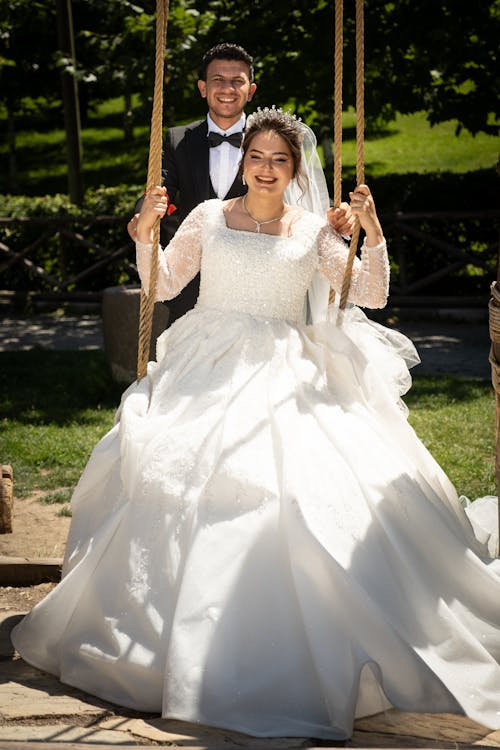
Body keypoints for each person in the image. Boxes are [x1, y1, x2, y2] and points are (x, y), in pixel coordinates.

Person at [12, 107, 500, 741]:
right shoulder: (210, 217)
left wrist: (371, 231)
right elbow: (161, 286)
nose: (266, 170)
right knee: (170, 469)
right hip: (204, 361)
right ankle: (159, 641)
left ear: (295, 171)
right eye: (256, 157)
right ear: (242, 161)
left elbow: (371, 293)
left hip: (283, 368)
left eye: (279, 161)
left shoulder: (314, 230)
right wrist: (143, 233)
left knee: (295, 490)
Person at [127, 42, 354, 323]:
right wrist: (143, 215)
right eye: (218, 80)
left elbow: (300, 196)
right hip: (186, 284)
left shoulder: (271, 140)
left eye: (237, 81)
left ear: (251, 90)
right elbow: (158, 191)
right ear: (202, 87)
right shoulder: (176, 140)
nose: (227, 89)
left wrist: (337, 219)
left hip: (262, 286)